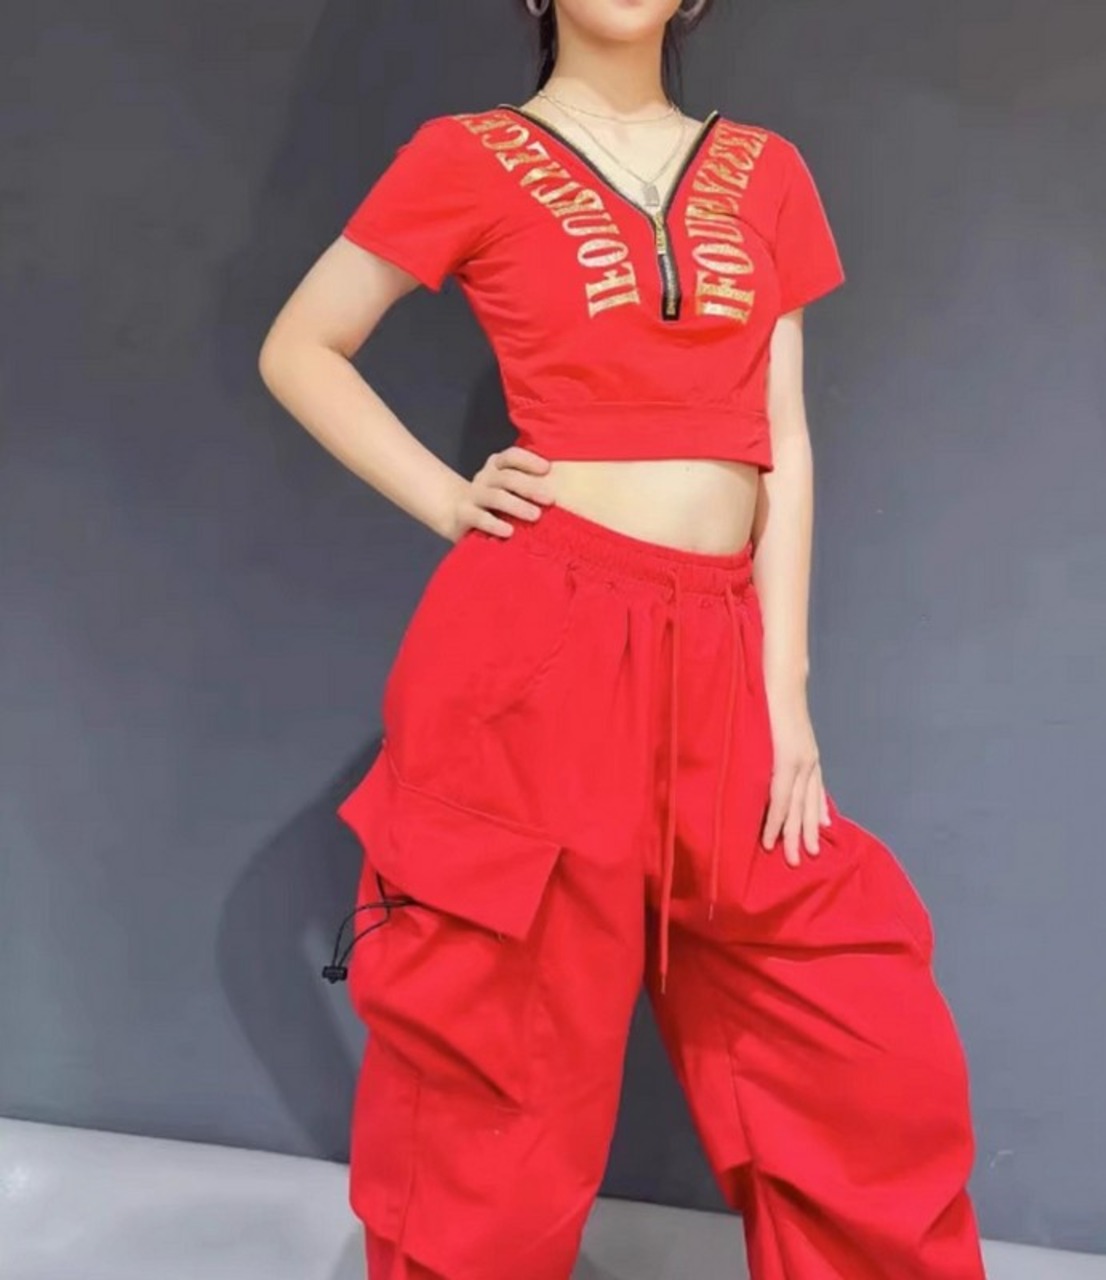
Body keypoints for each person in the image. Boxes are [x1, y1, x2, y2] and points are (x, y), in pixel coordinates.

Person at [258, 2, 989, 1277]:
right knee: (495, 1058)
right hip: (534, 644)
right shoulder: (466, 154)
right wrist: (449, 498)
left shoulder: (764, 168)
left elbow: (783, 440)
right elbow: (300, 345)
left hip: (721, 652)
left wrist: (785, 694)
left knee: (859, 1049)